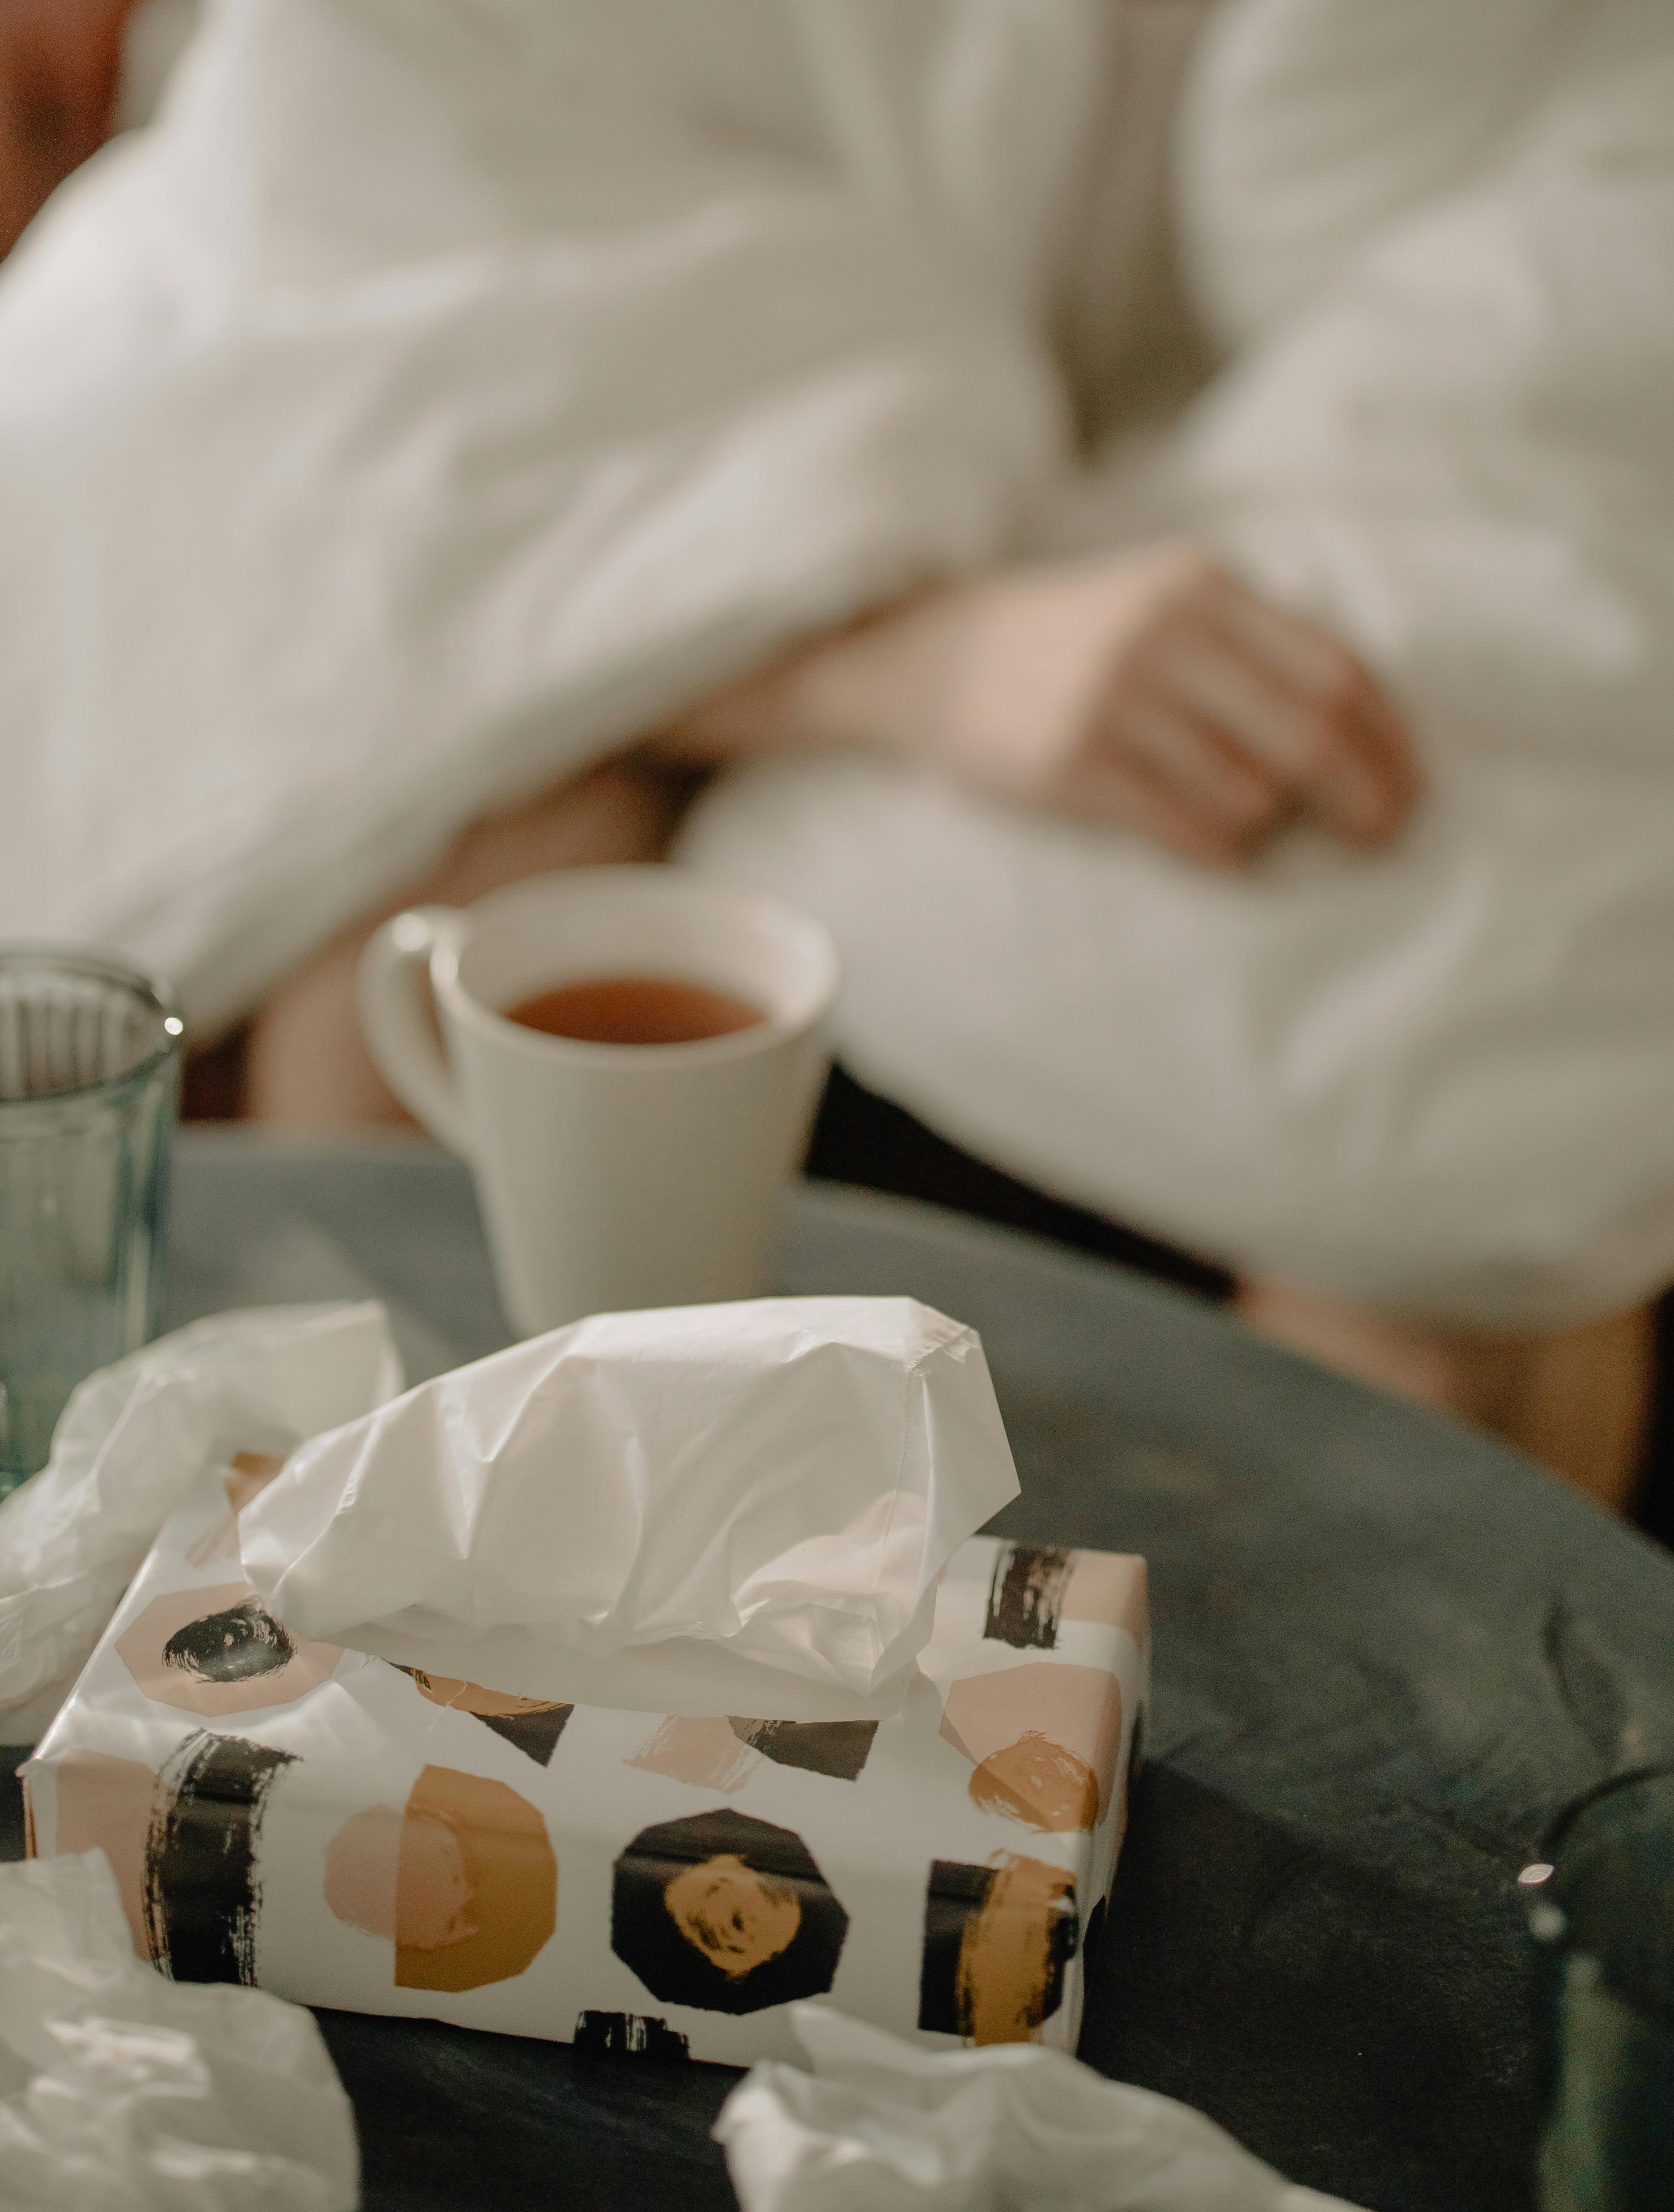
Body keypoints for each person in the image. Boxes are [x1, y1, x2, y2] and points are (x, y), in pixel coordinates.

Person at [4, 0, 1671, 1510]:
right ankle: (434, 1591)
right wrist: (880, 666)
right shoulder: (226, 178)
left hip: (1371, 260)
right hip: (947, 433)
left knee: (1434, 1055)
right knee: (407, 952)